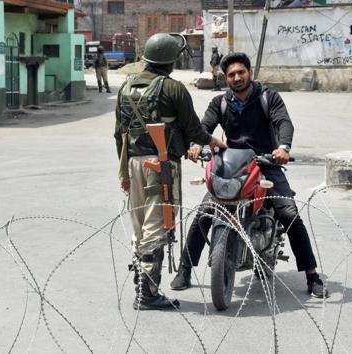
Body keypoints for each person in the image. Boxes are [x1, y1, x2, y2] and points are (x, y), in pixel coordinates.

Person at [170, 52, 329, 298]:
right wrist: (195, 144)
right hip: (234, 165)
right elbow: (204, 127)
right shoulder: (220, 103)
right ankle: (185, 269)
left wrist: (283, 148)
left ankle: (312, 275)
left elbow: (283, 122)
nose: (237, 77)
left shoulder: (268, 97)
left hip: (266, 163)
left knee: (289, 213)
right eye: (231, 74)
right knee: (205, 211)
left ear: (249, 73)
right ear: (226, 78)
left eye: (241, 72)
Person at [114, 33, 226, 311]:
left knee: (140, 226)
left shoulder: (126, 87)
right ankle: (148, 293)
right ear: (170, 60)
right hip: (161, 165)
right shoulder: (173, 88)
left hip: (133, 163)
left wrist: (124, 174)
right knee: (158, 224)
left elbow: (119, 134)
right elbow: (193, 129)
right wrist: (212, 141)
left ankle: (142, 285)